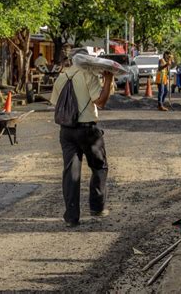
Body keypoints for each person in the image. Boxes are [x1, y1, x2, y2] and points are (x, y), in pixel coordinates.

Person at [50, 48, 113, 227]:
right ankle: (97, 207)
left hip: (66, 130)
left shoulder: (61, 77)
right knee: (100, 166)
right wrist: (108, 80)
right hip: (87, 129)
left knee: (71, 173)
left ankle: (71, 217)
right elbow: (100, 102)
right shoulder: (88, 75)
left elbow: (56, 103)